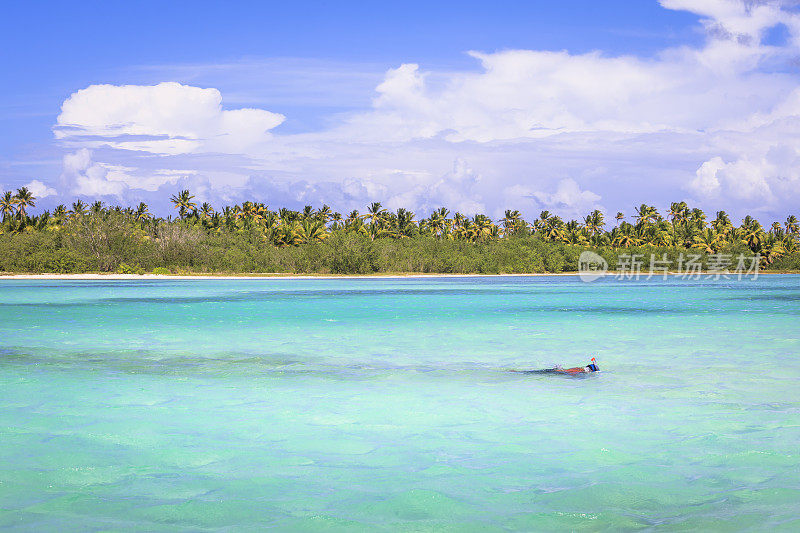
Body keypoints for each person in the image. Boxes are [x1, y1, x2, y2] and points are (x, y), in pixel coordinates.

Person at [521, 358, 599, 375]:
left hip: (557, 371)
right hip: (556, 372)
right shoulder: (580, 370)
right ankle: (514, 372)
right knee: (532, 373)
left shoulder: (580, 369)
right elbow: (567, 372)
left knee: (533, 372)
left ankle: (515, 372)